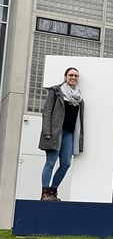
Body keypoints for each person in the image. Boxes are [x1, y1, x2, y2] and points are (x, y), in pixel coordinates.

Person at [39, 67, 84, 200]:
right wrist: (47, 131)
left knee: (66, 164)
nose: (73, 77)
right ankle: (45, 192)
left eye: (76, 76)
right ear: (65, 77)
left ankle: (53, 191)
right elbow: (47, 111)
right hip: (55, 132)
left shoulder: (79, 97)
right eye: (71, 75)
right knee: (50, 162)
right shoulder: (56, 91)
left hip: (69, 133)